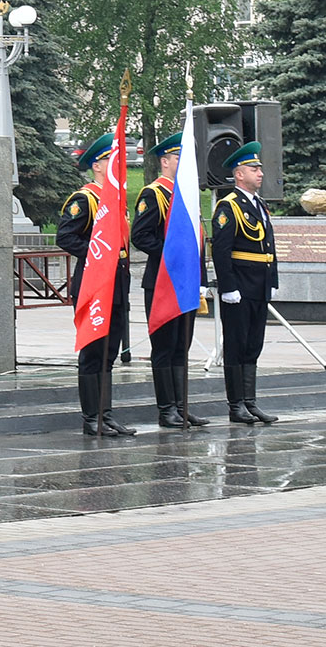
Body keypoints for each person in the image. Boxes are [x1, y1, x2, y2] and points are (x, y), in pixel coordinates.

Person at [56, 133, 135, 437]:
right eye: (112, 160)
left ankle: (106, 414)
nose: (119, 165)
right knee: (92, 352)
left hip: (116, 285)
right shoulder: (86, 199)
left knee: (109, 353)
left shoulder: (115, 199)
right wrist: (99, 254)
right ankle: (91, 417)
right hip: (94, 284)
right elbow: (66, 237)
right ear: (98, 166)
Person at [132, 133, 208, 429]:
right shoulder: (154, 194)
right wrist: (171, 256)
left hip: (186, 282)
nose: (184, 163)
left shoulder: (186, 194)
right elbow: (141, 236)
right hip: (162, 282)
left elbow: (198, 242)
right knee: (164, 347)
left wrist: (200, 277)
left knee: (181, 346)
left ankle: (181, 406)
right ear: (165, 162)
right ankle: (166, 410)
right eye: (179, 158)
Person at [211, 141, 280, 425]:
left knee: (253, 345)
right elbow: (221, 250)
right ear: (239, 174)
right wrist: (228, 287)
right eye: (254, 169)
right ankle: (236, 404)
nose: (260, 173)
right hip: (239, 286)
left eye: (259, 168)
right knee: (236, 346)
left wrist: (271, 280)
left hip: (259, 286)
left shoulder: (259, 205)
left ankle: (250, 402)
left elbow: (268, 246)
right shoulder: (229, 206)